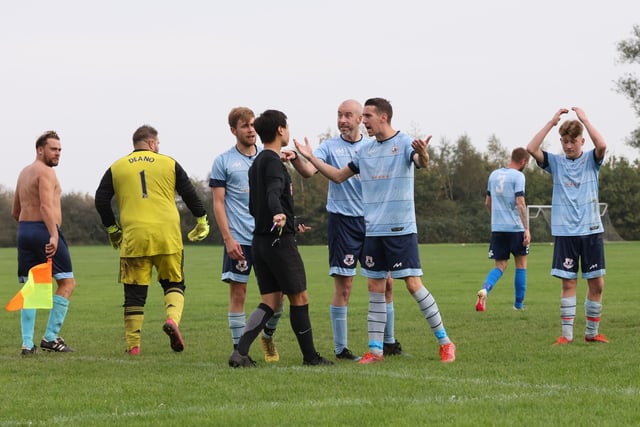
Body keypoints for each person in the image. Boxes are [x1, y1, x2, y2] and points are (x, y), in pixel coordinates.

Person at [295, 97, 456, 363]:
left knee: (413, 285)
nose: (364, 121)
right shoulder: (366, 152)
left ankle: (445, 342)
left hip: (400, 228)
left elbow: (421, 161)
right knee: (374, 286)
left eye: (367, 116)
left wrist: (424, 153)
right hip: (373, 230)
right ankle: (376, 350)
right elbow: (336, 176)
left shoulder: (404, 143)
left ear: (383, 117)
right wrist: (310, 157)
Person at [285, 99, 401, 360]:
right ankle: (341, 349)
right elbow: (308, 171)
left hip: (374, 221)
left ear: (361, 119)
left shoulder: (373, 146)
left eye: (348, 115)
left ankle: (390, 342)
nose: (342, 120)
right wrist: (296, 159)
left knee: (387, 283)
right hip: (343, 223)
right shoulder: (329, 147)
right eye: (339, 115)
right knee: (344, 285)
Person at [228, 109, 332, 367]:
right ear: (281, 130)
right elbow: (274, 194)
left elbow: (256, 206)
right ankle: (310, 357)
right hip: (278, 242)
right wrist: (279, 215)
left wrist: (291, 223)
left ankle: (240, 352)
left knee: (271, 301)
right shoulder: (274, 162)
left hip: (260, 241)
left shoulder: (257, 163)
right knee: (300, 297)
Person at [95, 125, 210, 355]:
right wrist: (202, 220)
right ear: (151, 143)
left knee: (134, 294)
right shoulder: (168, 162)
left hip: (134, 237)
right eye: (157, 143)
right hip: (167, 235)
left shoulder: (117, 167)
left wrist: (112, 228)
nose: (158, 147)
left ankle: (133, 347)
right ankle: (172, 321)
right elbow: (189, 193)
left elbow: (101, 199)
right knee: (174, 283)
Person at [527, 107, 608, 345]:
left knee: (597, 283)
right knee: (568, 282)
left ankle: (592, 334)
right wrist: (551, 122)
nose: (568, 146)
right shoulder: (556, 163)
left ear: (582, 140)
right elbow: (531, 149)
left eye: (573, 141)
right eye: (564, 141)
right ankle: (567, 336)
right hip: (565, 232)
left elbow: (602, 145)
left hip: (591, 230)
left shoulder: (592, 161)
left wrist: (585, 119)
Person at [210, 107, 283, 362]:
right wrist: (228, 238)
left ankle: (268, 337)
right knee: (238, 293)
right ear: (234, 130)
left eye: (253, 125)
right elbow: (218, 203)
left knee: (278, 297)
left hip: (268, 236)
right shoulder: (223, 161)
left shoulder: (270, 157)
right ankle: (239, 350)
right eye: (244, 126)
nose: (251, 129)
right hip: (239, 238)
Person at [12, 130, 76, 355]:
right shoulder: (46, 172)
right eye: (53, 149)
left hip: (24, 231)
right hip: (44, 232)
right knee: (67, 283)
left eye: (59, 149)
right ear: (41, 150)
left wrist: (29, 230)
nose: (57, 153)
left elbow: (15, 210)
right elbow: (46, 206)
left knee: (33, 288)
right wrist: (53, 234)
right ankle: (50, 337)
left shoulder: (24, 173)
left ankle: (27, 344)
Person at [476, 148, 531, 312]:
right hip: (516, 228)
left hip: (498, 228)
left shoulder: (493, 175)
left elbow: (487, 203)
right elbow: (520, 203)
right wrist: (526, 228)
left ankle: (485, 289)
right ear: (523, 162)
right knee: (521, 264)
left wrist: (496, 219)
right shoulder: (519, 176)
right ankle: (518, 306)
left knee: (500, 266)